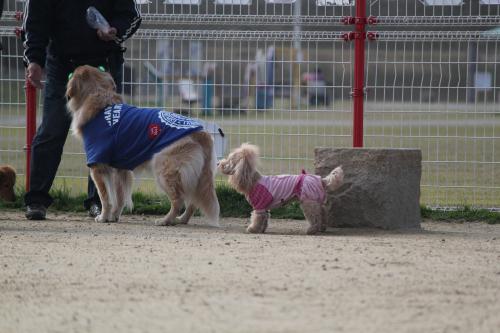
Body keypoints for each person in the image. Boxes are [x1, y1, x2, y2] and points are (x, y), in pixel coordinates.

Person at [22, 1, 141, 220]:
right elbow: (35, 23)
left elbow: (131, 15)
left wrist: (116, 30)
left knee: (106, 137)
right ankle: (36, 200)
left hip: (105, 66)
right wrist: (34, 60)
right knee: (51, 130)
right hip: (62, 65)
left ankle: (100, 202)